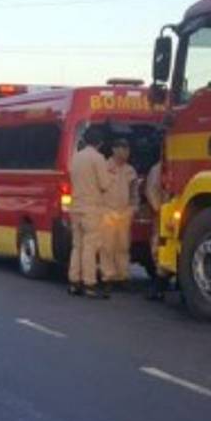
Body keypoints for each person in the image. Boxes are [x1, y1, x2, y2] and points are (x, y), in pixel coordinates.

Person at [67, 125, 109, 298]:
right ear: (99, 143)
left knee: (77, 246)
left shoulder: (75, 158)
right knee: (90, 247)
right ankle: (89, 283)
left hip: (76, 207)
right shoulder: (98, 159)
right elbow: (104, 184)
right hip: (92, 208)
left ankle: (74, 282)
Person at [97, 138, 139, 296]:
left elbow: (134, 192)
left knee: (123, 246)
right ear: (114, 150)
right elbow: (98, 189)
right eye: (122, 148)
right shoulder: (104, 167)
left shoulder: (130, 170)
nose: (126, 152)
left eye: (127, 149)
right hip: (107, 212)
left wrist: (133, 208)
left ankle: (123, 276)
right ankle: (107, 277)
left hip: (124, 213)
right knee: (107, 247)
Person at [143, 160, 168, 300]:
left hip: (165, 213)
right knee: (159, 247)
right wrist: (159, 209)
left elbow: (150, 190)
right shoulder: (158, 169)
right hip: (164, 214)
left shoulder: (157, 168)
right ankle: (160, 286)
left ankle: (159, 286)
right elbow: (151, 191)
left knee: (159, 247)